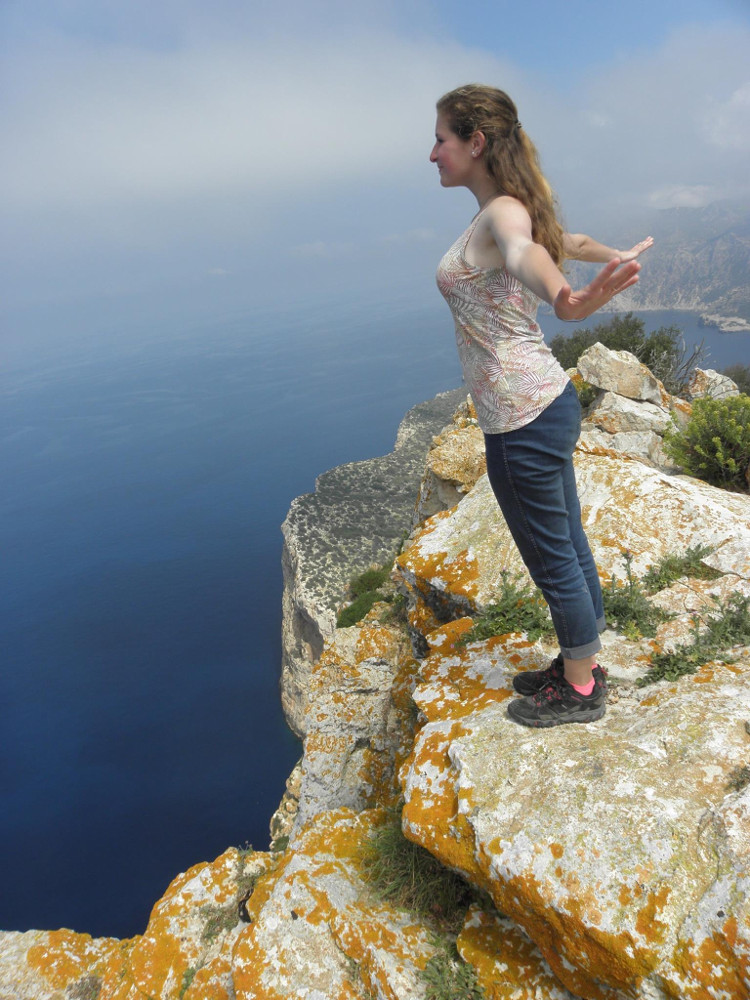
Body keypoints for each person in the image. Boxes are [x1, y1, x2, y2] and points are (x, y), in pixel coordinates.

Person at [431, 84, 653, 728]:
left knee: (549, 553)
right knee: (568, 541)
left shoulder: (503, 213)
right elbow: (567, 240)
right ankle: (583, 660)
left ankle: (580, 689)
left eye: (441, 139)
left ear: (475, 142)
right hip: (546, 402)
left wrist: (566, 300)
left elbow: (528, 253)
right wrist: (613, 256)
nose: (433, 153)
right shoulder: (515, 207)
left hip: (520, 417)